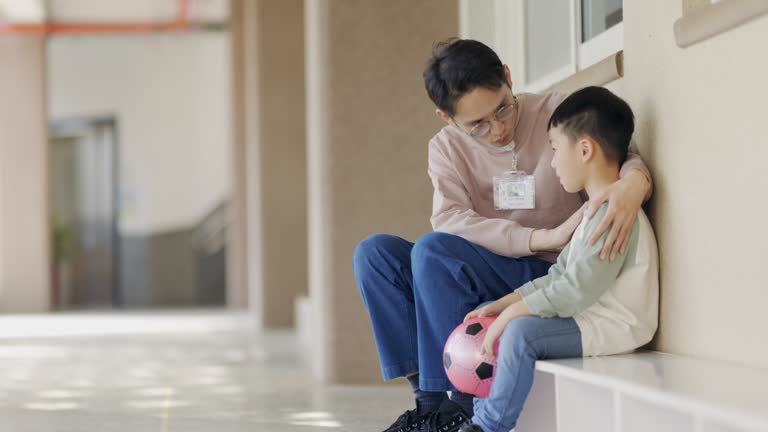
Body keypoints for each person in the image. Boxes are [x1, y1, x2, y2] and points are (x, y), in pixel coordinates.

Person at [353, 39, 653, 432]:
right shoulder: (444, 149)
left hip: (552, 275)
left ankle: (458, 405)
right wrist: (537, 237)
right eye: (477, 125)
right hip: (490, 269)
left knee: (432, 252)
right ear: (446, 117)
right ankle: (430, 405)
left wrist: (635, 185)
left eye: (503, 109)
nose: (497, 129)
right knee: (376, 255)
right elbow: (450, 219)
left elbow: (620, 157)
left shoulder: (558, 114)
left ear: (508, 78)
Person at [453, 86, 659, 432]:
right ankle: (478, 415)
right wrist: (504, 304)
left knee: (521, 332)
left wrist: (515, 314)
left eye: (554, 149)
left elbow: (576, 290)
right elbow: (559, 274)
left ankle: (487, 426)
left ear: (584, 149)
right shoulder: (592, 213)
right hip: (592, 318)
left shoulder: (612, 216)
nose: (551, 162)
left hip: (614, 326)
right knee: (506, 319)